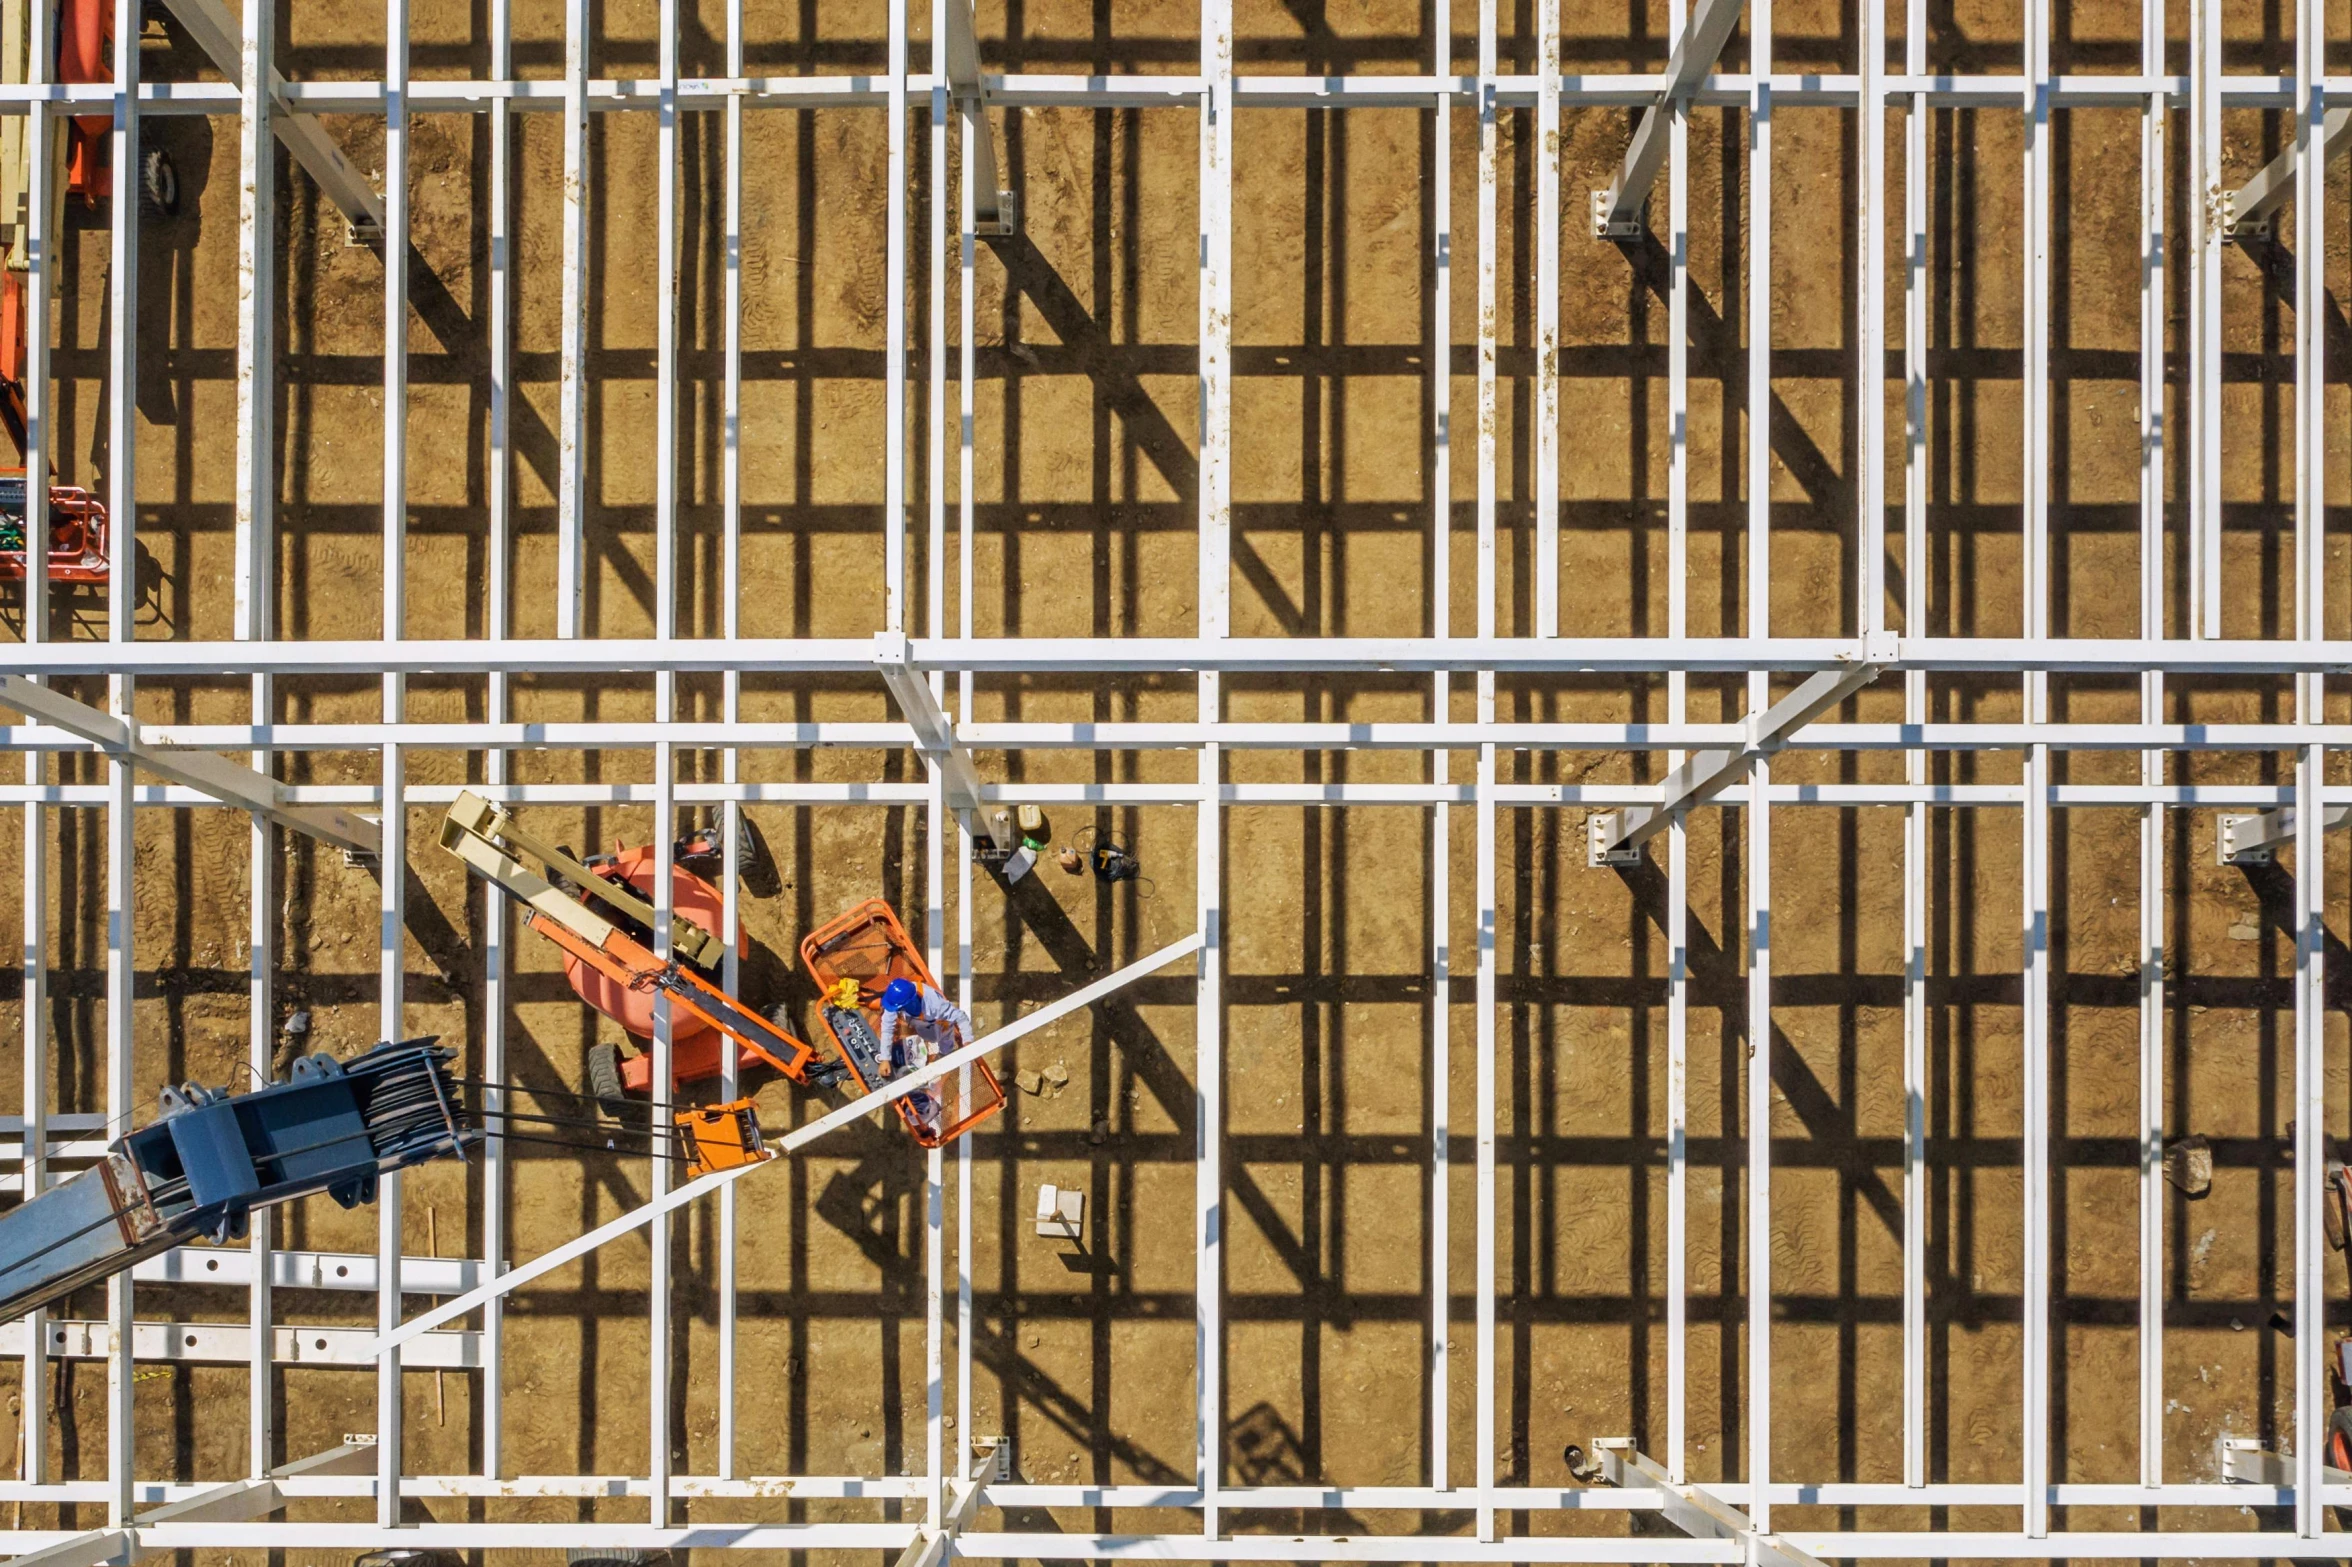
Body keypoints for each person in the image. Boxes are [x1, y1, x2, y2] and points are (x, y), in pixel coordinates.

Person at [876, 977, 971, 1135]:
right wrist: (885, 1058)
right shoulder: (899, 998)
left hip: (938, 1025)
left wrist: (967, 1041)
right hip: (919, 1022)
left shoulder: (934, 1005)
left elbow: (960, 1017)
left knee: (945, 1047)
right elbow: (887, 1026)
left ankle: (940, 1063)